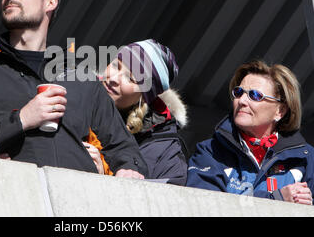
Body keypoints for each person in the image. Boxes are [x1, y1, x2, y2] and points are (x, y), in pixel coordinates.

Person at [0, 0, 147, 178]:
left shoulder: (80, 76)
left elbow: (123, 147)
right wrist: (22, 119)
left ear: (50, 2)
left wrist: (129, 170)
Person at [186, 60, 314, 205]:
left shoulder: (307, 158)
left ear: (280, 111)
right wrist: (275, 200)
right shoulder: (210, 152)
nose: (242, 101)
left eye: (255, 95)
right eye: (239, 92)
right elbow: (202, 206)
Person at [85, 39, 188, 185]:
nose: (114, 79)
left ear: (144, 97)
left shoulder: (166, 154)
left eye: (130, 78)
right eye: (115, 65)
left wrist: (105, 179)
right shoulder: (71, 93)